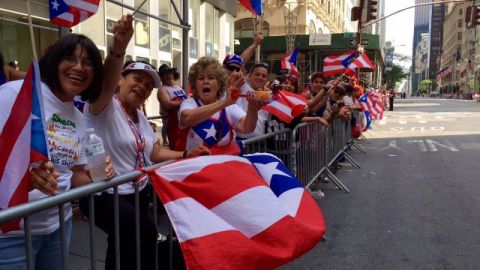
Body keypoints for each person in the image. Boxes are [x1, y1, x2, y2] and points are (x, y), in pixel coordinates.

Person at [0, 16, 127, 269]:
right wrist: (23, 178)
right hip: (10, 233)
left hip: (58, 225)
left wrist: (96, 174)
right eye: (70, 58)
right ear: (54, 61)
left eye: (88, 62)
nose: (79, 67)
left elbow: (74, 175)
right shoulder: (13, 95)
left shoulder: (79, 118)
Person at [80, 59, 209, 270]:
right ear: (120, 80)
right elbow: (106, 82)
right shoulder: (104, 106)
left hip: (136, 193)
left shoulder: (139, 116)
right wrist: (118, 48)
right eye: (137, 79)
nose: (142, 87)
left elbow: (154, 152)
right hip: (105, 193)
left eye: (148, 86)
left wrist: (186, 154)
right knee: (145, 233)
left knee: (122, 245)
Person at [177, 57, 262, 152]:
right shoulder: (189, 103)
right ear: (195, 85)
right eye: (201, 78)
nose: (206, 81)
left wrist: (252, 108)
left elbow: (247, 128)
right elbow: (186, 118)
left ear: (219, 84)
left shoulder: (229, 106)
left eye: (211, 78)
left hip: (221, 164)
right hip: (194, 164)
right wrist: (224, 103)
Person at [156, 63, 188, 150]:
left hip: (185, 121)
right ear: (161, 77)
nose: (168, 76)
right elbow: (167, 104)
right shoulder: (162, 89)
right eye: (164, 74)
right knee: (177, 148)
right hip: (174, 123)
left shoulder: (178, 86)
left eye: (169, 73)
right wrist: (186, 102)